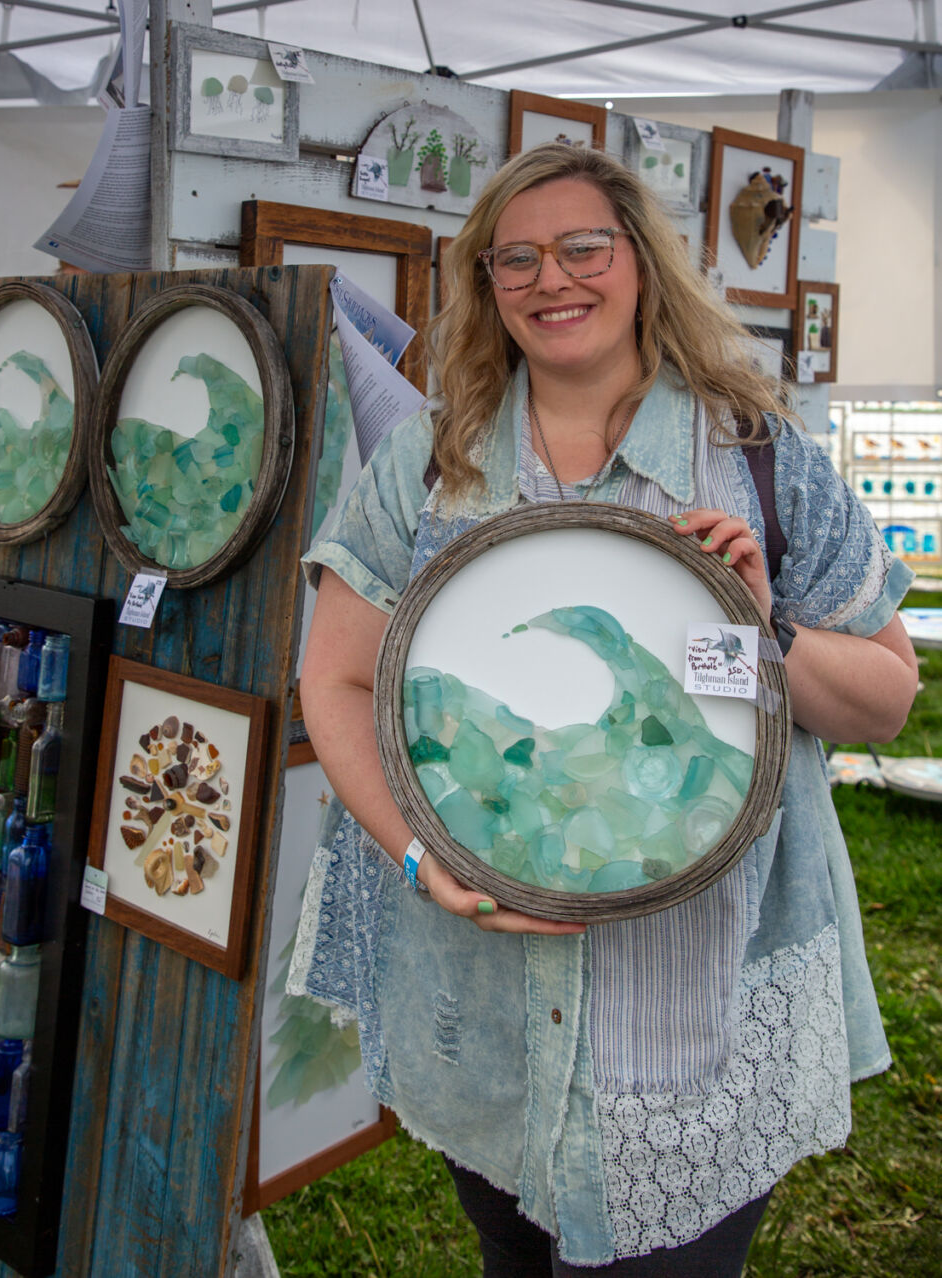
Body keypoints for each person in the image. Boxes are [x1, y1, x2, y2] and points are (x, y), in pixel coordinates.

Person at [291, 143, 918, 1274]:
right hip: (485, 1013)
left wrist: (765, 628)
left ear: (641, 262)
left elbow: (885, 700)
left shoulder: (753, 458)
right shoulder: (429, 466)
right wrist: (409, 858)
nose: (551, 279)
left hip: (694, 1023)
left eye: (584, 246)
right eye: (513, 259)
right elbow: (332, 677)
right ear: (485, 286)